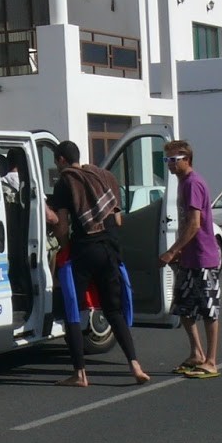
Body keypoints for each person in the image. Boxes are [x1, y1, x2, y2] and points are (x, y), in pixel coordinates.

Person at [44, 140, 149, 386]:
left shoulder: (65, 182)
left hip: (85, 251)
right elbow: (119, 221)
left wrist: (58, 236)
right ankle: (135, 366)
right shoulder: (104, 177)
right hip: (110, 250)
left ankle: (80, 374)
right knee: (113, 311)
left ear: (60, 160)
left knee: (73, 309)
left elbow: (61, 227)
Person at [161, 140, 222, 378]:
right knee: (184, 308)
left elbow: (194, 224)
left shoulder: (193, 183)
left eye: (174, 160)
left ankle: (211, 360)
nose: (170, 164)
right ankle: (196, 353)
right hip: (188, 257)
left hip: (203, 256)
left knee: (208, 310)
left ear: (187, 159)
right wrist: (179, 253)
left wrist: (172, 251)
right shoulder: (182, 183)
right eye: (166, 160)